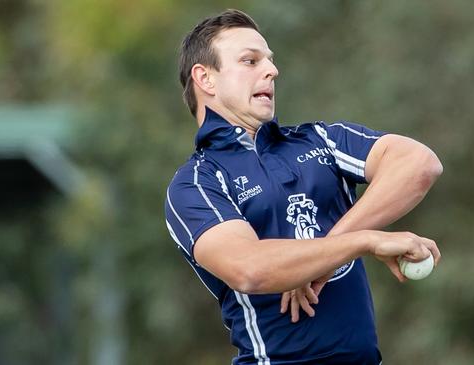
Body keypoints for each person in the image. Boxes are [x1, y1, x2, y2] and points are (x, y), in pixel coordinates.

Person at [164, 9, 443, 365]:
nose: (271, 70)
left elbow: (419, 164)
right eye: (250, 61)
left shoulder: (321, 140)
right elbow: (249, 269)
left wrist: (324, 255)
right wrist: (365, 240)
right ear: (206, 79)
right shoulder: (196, 183)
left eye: (269, 60)